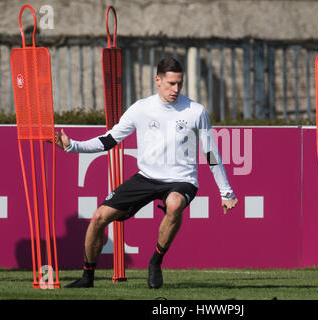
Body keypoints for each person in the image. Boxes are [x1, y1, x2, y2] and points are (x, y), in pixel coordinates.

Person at [55, 57, 238, 288]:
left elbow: (211, 153)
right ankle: (87, 278)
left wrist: (226, 192)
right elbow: (110, 139)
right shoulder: (141, 108)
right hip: (146, 178)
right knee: (98, 218)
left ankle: (155, 262)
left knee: (174, 205)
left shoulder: (196, 111)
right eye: (171, 83)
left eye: (179, 84)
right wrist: (73, 146)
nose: (176, 89)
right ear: (157, 80)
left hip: (182, 180)